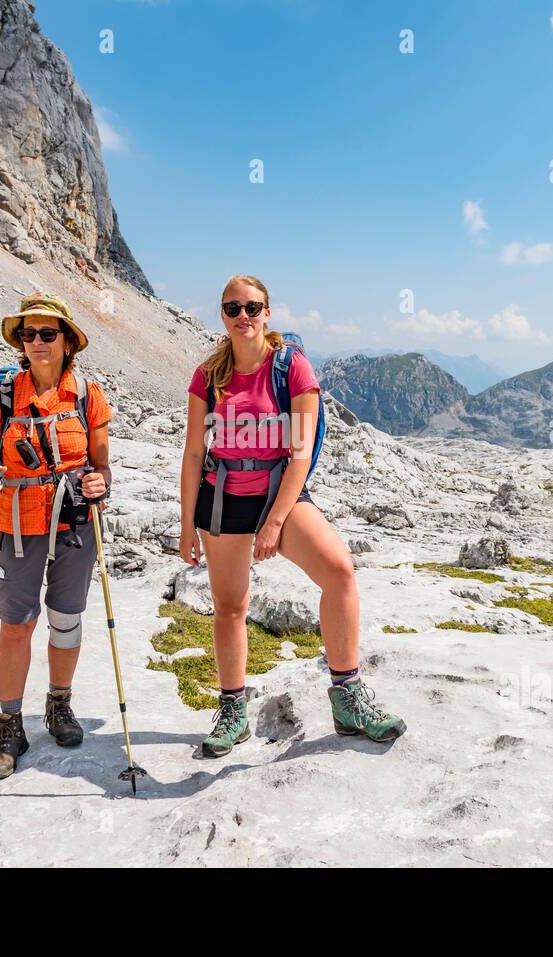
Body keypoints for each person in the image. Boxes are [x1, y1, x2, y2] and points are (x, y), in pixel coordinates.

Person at [178, 274, 406, 757]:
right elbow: (194, 454)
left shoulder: (291, 368)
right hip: (222, 499)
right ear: (222, 314)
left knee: (340, 570)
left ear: (268, 313)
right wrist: (185, 524)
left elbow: (300, 454)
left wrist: (276, 522)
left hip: (279, 494)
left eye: (253, 307)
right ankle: (233, 709)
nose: (244, 316)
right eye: (233, 308)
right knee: (230, 606)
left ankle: (347, 697)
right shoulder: (207, 376)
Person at [0, 292, 112, 780]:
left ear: (67, 342)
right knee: (16, 624)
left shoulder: (89, 396)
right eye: (28, 334)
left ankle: (58, 704)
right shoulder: (2, 397)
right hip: (15, 524)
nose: (36, 342)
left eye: (47, 333)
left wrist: (100, 483)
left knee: (66, 620)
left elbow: (103, 467)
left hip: (73, 524)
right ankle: (10, 723)